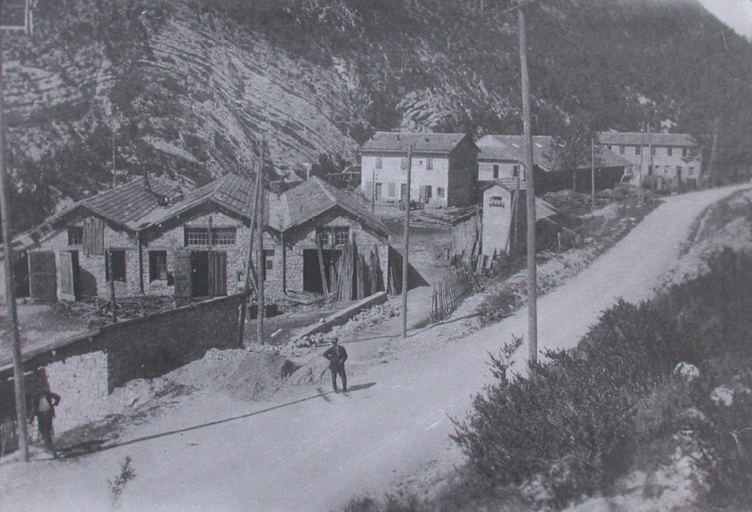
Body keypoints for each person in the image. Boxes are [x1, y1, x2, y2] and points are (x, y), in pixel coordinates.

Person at [28, 389, 61, 458]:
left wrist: (55, 404)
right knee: (42, 430)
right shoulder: (35, 398)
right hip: (41, 415)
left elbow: (58, 397)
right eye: (39, 393)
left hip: (48, 414)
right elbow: (34, 409)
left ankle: (50, 448)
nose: (41, 393)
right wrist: (31, 419)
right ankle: (48, 447)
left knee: (47, 431)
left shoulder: (48, 395)